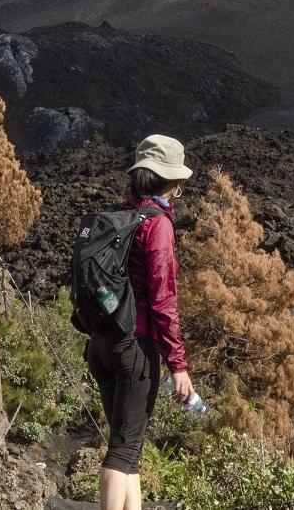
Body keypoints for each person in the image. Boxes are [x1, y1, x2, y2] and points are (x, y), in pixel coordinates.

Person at [86, 134, 195, 510]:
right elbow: (163, 298)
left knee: (128, 448)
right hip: (136, 346)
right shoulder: (157, 225)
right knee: (121, 452)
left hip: (101, 345)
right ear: (173, 183)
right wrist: (178, 365)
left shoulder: (121, 218)